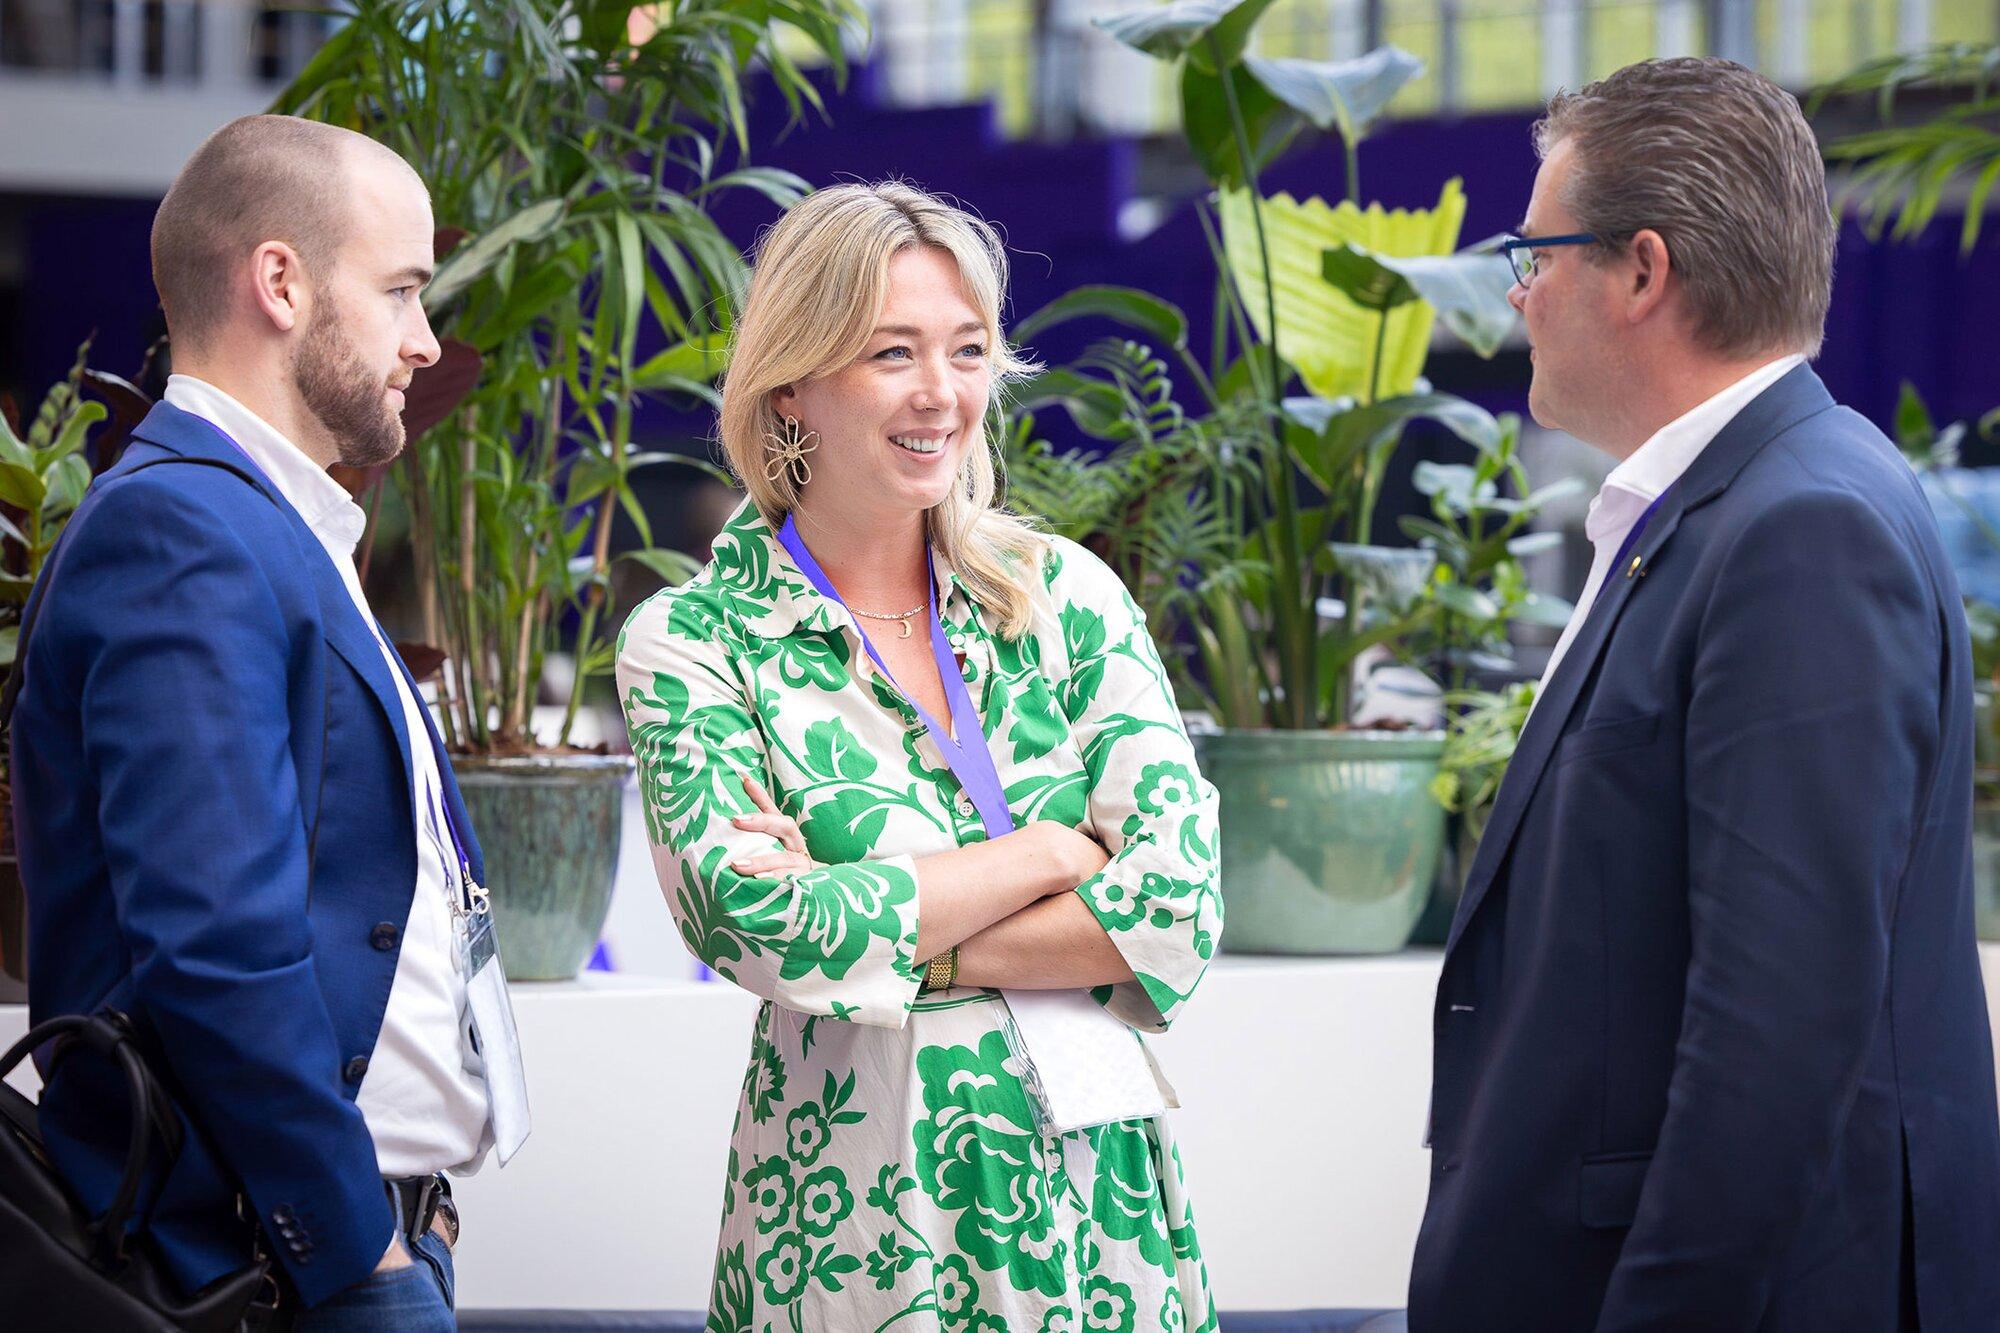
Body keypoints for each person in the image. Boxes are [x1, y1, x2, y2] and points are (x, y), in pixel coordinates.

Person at [1410, 57, 2000, 1331]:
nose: (1515, 292)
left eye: (1534, 250)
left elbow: (1774, 1042)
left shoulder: (1800, 531)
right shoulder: (1736, 500)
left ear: (1640, 270)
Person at [615, 181, 1222, 1331]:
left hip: (1098, 1197)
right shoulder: (696, 644)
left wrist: (899, 937)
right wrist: (1052, 852)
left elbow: (1180, 904)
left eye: (966, 350)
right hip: (854, 1208)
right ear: (791, 381)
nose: (940, 393)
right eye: (891, 352)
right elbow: (759, 923)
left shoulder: (1060, 598)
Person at [12, 114, 521, 1326]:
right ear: (280, 282)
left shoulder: (270, 520)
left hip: (336, 1247)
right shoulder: (182, 531)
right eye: (401, 290)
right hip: (277, 1270)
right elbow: (216, 946)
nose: (424, 341)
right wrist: (359, 1255)